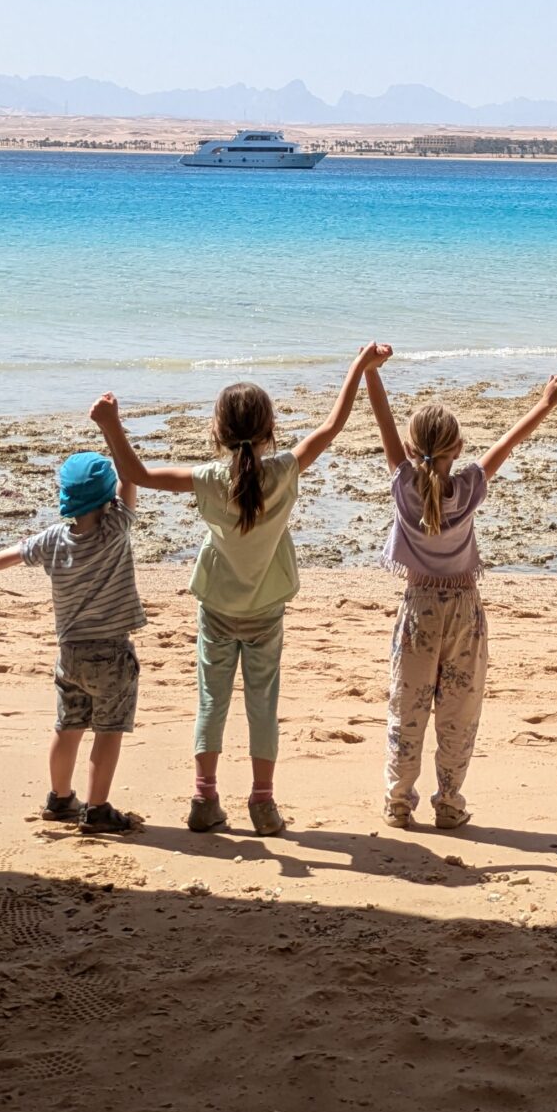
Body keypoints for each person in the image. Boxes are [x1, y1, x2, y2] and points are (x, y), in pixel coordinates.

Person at [92, 344, 386, 837]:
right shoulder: (285, 471)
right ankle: (263, 803)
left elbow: (136, 475)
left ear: (217, 432)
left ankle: (205, 798)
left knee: (212, 700)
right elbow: (332, 428)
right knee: (262, 702)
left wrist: (111, 425)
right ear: (270, 431)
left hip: (217, 606)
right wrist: (359, 367)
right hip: (266, 608)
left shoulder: (208, 478)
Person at [364, 362, 557, 830]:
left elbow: (382, 418)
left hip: (418, 608)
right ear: (458, 449)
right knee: (459, 711)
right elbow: (508, 443)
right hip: (464, 610)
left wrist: (369, 371)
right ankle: (450, 802)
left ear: (412, 447)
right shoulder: (468, 489)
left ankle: (399, 803)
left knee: (408, 706)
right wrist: (545, 402)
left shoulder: (404, 487)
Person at [0, 447, 144, 837]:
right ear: (107, 499)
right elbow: (130, 476)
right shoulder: (114, 528)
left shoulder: (54, 539)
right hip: (111, 653)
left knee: (67, 727)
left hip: (69, 655)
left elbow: (15, 554)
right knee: (108, 729)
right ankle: (97, 808)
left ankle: (60, 798)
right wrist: (113, 430)